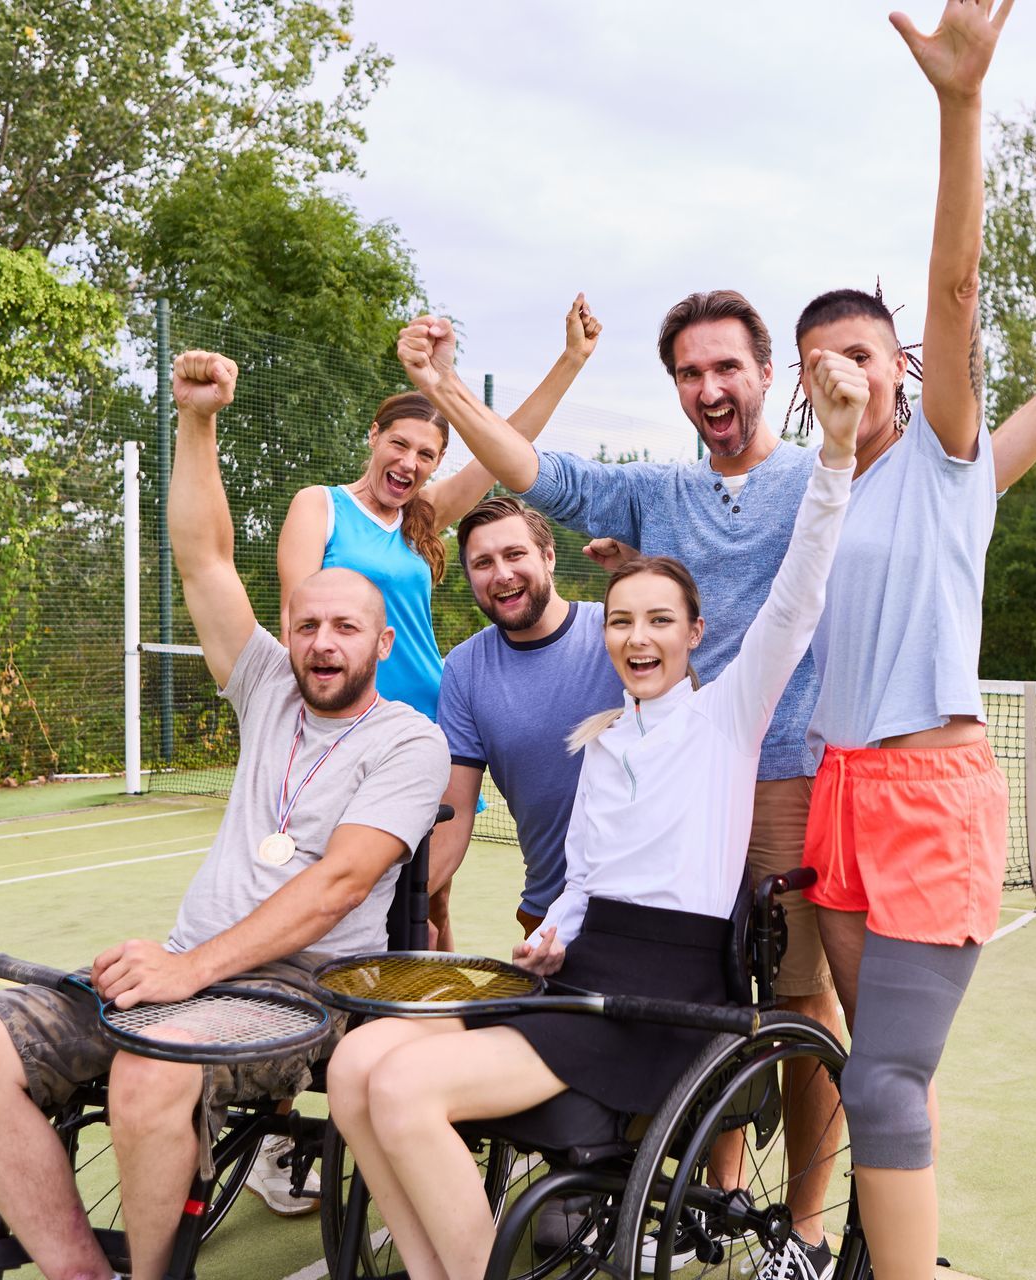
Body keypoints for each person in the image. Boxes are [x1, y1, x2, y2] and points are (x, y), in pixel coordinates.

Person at [316, 316, 870, 1280]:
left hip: (659, 1000)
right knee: (357, 1068)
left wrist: (834, 451)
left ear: (698, 632)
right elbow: (587, 876)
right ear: (601, 632)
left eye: (661, 621)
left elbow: (803, 585)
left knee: (399, 1092)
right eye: (622, 622)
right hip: (582, 973)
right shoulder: (604, 737)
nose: (639, 639)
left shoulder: (730, 715)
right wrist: (553, 930)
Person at [0, 349, 449, 1280]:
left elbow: (339, 886)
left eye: (346, 629)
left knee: (151, 1067)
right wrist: (198, 421)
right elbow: (203, 556)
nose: (322, 644)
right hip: (177, 976)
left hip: (297, 994)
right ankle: (84, 1269)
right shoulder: (266, 687)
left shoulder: (409, 742)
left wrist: (187, 970)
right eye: (308, 625)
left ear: (385, 640)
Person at [787, 7, 1036, 1280]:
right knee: (868, 1054)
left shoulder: (939, 454)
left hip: (929, 795)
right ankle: (898, 1255)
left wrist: (959, 103)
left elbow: (953, 287)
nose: (843, 370)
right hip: (837, 794)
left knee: (884, 1079)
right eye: (819, 356)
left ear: (904, 369)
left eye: (864, 353)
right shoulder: (821, 487)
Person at [275, 294, 603, 721]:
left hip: (431, 716)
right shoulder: (320, 506)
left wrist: (572, 358)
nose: (409, 462)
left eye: (426, 454)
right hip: (345, 718)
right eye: (399, 444)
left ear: (437, 462)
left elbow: (509, 443)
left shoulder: (423, 513)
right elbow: (291, 623)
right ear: (374, 436)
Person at [433, 496, 625, 942]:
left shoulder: (618, 632)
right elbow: (455, 814)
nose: (501, 574)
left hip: (646, 909)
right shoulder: (463, 670)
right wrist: (405, 901)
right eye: (483, 563)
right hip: (546, 917)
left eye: (515, 554)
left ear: (549, 557)